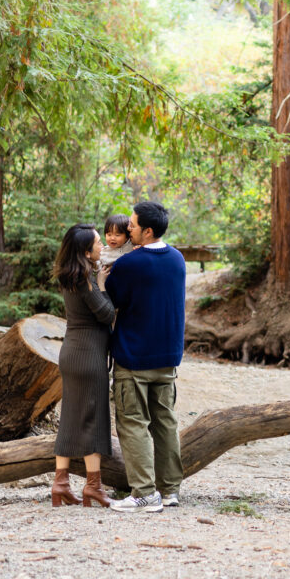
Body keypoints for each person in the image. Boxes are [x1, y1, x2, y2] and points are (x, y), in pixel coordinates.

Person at [105, 200, 186, 512]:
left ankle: (143, 493)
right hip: (167, 357)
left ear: (147, 231)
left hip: (134, 357)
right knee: (165, 422)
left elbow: (112, 297)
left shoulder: (130, 264)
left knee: (132, 423)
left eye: (133, 225)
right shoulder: (178, 259)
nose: (128, 228)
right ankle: (171, 490)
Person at [52, 223, 115, 509]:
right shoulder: (86, 279)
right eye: (98, 243)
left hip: (71, 353)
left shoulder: (70, 276)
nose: (102, 246)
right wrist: (102, 285)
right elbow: (106, 314)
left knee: (69, 419)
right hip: (88, 355)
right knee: (93, 419)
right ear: (86, 252)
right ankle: (94, 486)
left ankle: (61, 483)